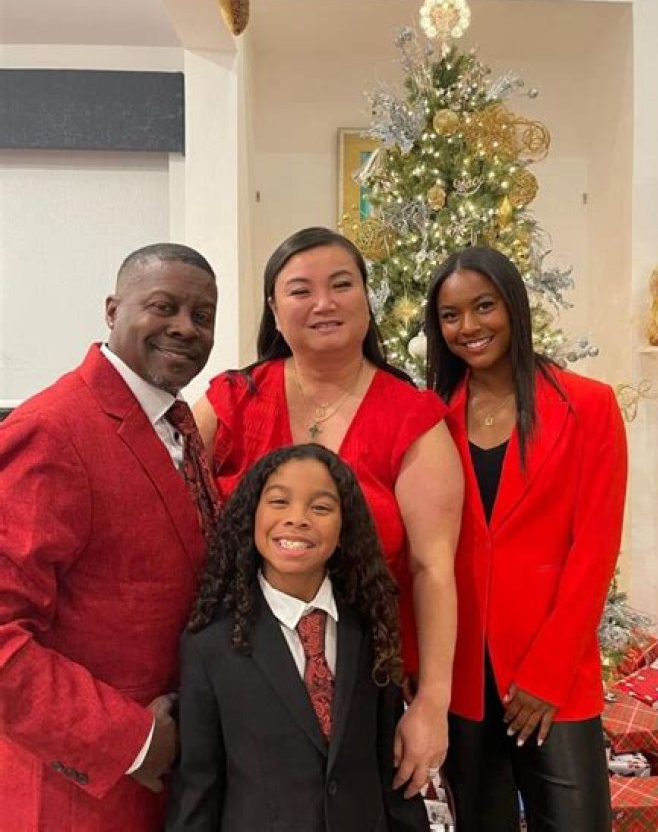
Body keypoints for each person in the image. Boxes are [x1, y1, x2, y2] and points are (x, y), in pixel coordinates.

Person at [193, 227, 463, 795]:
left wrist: (433, 703)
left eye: (342, 285)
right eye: (301, 290)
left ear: (366, 297)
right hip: (236, 676)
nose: (324, 303)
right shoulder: (232, 399)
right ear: (274, 308)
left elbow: (433, 567)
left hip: (362, 683)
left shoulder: (413, 416)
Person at [0, 243, 219, 831]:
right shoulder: (53, 430)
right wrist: (132, 741)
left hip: (163, 792)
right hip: (78, 798)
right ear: (112, 309)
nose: (185, 327)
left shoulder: (176, 424)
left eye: (202, 315)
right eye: (164, 307)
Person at [424, 246, 627, 831]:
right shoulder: (431, 417)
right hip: (463, 673)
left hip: (551, 673)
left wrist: (547, 672)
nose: (469, 326)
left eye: (483, 306)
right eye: (451, 315)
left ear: (513, 306)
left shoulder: (588, 405)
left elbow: (595, 550)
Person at [166, 443, 430, 832]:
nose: (297, 519)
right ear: (252, 515)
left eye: (320, 507)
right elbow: (198, 787)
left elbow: (388, 771)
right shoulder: (210, 646)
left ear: (344, 528)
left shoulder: (371, 626)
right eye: (278, 501)